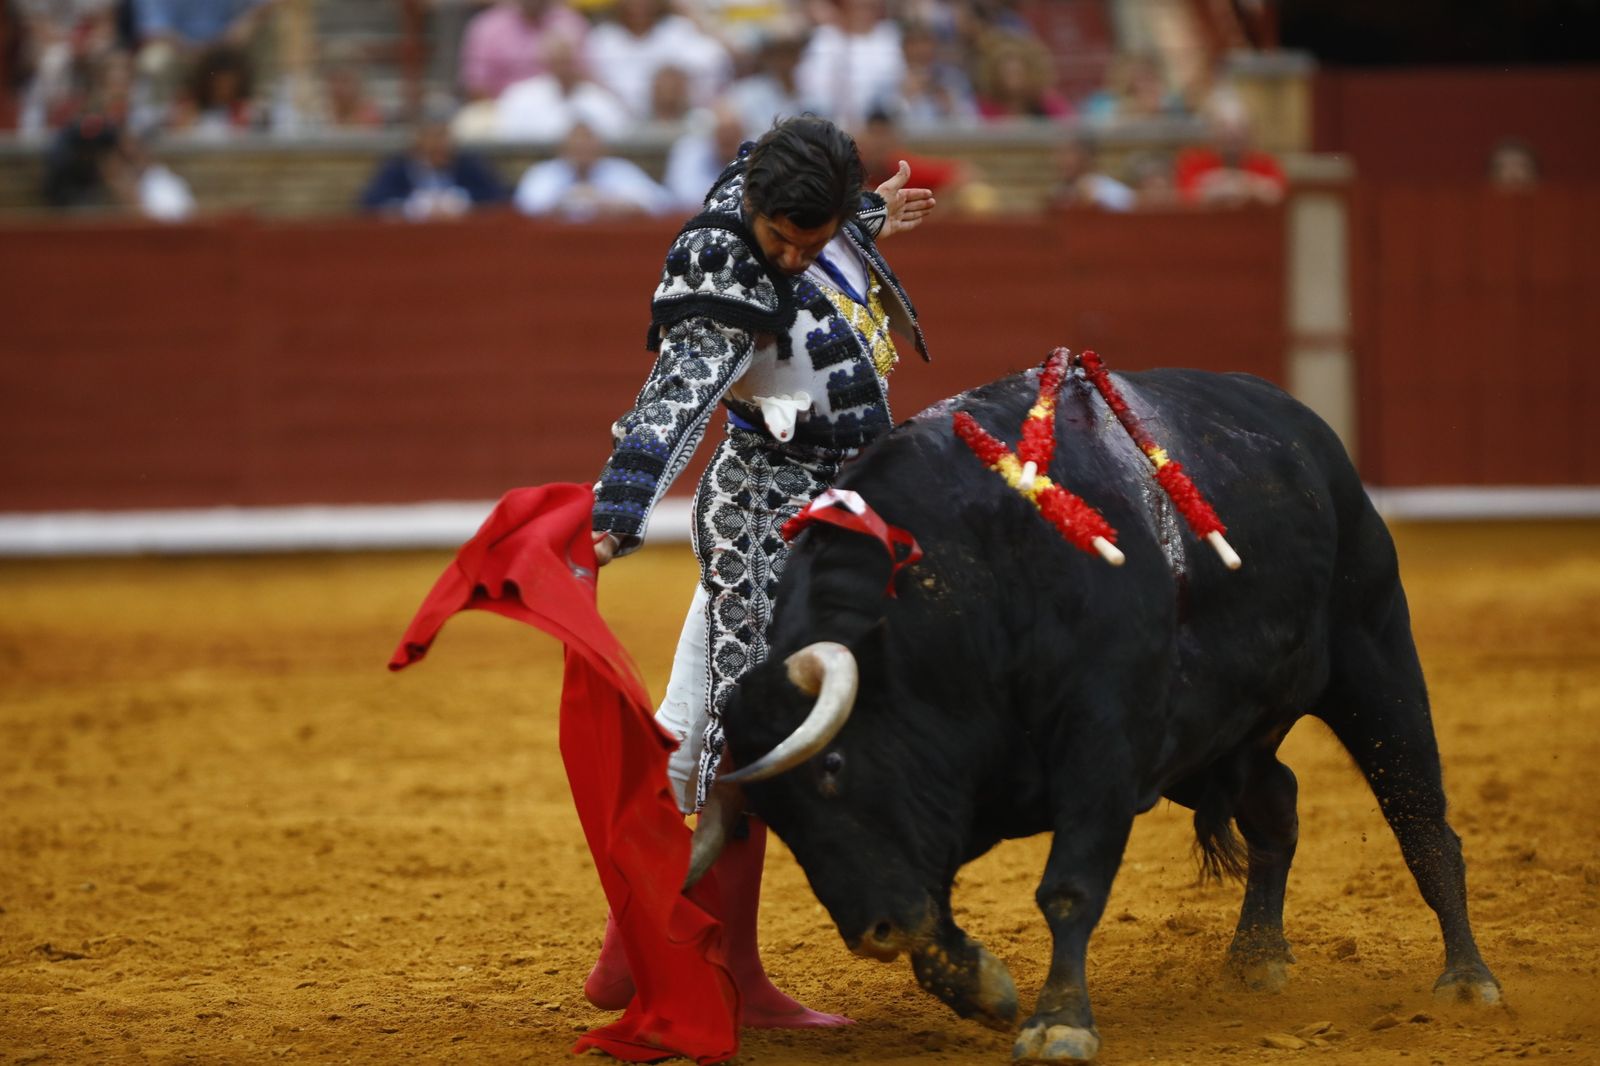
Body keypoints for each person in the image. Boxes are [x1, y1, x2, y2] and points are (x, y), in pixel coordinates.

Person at [582, 114, 934, 1026]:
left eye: (807, 241)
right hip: (763, 525)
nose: (788, 257)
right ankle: (695, 964)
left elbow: (813, 216)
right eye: (780, 237)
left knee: (712, 732)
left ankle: (652, 957)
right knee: (733, 742)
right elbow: (671, 405)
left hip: (830, 514)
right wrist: (616, 518)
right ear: (753, 208)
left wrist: (864, 217)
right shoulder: (725, 277)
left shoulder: (787, 199)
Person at [512, 121, 672, 220]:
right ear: (562, 149)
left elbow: (658, 203)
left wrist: (610, 203)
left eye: (587, 144)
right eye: (576, 145)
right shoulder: (543, 173)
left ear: (601, 147)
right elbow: (526, 208)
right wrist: (569, 200)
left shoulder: (621, 170)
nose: (582, 150)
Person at [359, 118, 508, 219]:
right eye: (432, 137)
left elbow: (500, 196)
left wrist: (461, 201)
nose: (438, 144)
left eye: (443, 137)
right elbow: (370, 203)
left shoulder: (469, 165)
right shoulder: (397, 167)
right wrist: (413, 206)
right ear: (418, 142)